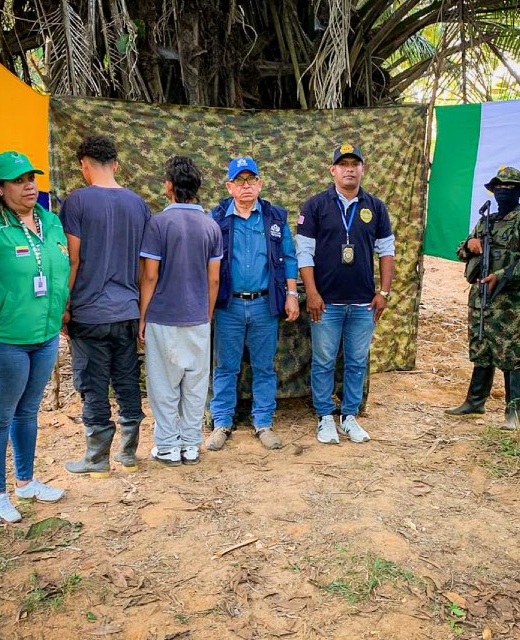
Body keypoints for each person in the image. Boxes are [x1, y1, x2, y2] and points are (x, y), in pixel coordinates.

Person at [0, 151, 70, 523]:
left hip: (44, 334)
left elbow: (61, 267)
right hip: (2, 338)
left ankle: (25, 481)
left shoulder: (50, 221)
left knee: (27, 412)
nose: (29, 186)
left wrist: (61, 310)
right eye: (18, 180)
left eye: (31, 178)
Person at [61, 136, 150, 476]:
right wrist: (141, 309)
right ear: (115, 164)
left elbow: (73, 259)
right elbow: (145, 265)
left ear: (84, 165)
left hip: (89, 313)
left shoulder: (76, 202)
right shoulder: (138, 205)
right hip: (127, 310)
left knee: (93, 384)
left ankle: (97, 458)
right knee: (127, 380)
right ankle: (128, 455)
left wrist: (64, 305)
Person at [296, 144, 395, 445]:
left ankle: (349, 416)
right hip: (326, 303)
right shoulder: (315, 206)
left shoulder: (376, 207)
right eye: (343, 164)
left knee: (356, 361)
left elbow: (387, 251)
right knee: (324, 361)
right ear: (333, 170)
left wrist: (384, 292)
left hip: (363, 303)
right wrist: (312, 292)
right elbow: (304, 254)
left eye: (355, 164)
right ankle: (325, 416)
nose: (349, 169)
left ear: (363, 169)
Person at [206, 157, 299, 451]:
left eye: (251, 180)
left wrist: (292, 294)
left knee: (264, 367)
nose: (246, 185)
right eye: (239, 180)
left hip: (264, 304)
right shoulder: (216, 217)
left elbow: (290, 257)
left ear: (259, 184)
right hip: (229, 306)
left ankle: (263, 422)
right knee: (225, 367)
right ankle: (222, 422)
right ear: (229, 187)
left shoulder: (274, 217)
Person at [446, 167, 520, 430]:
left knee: (509, 354)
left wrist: (500, 276)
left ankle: (514, 412)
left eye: (510, 188)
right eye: (499, 187)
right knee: (480, 348)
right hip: (479, 296)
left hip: (507, 300)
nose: (503, 191)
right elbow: (461, 251)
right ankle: (475, 402)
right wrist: (469, 246)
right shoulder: (485, 221)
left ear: (519, 192)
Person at [139, 156, 222, 465]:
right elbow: (214, 279)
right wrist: (207, 314)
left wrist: (143, 316)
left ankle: (167, 446)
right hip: (198, 317)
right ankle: (190, 444)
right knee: (195, 385)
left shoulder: (158, 223)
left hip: (163, 316)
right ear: (197, 187)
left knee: (164, 385)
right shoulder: (211, 226)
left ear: (169, 186)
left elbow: (150, 276)